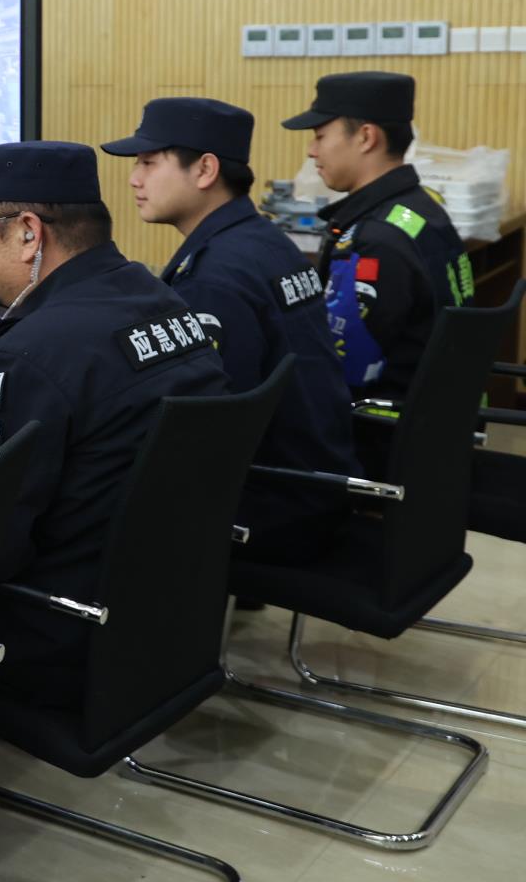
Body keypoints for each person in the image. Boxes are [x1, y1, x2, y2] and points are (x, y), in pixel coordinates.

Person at [0, 142, 228, 704]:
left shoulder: (30, 358)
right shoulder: (163, 301)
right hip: (162, 617)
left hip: (49, 638)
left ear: (28, 233)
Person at [103, 98, 359, 561]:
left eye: (148, 163)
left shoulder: (214, 278)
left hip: (272, 506)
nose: (134, 179)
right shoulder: (265, 241)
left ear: (205, 170)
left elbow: (207, 427)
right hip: (316, 480)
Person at [282, 71, 473, 397]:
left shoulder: (374, 241)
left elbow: (342, 365)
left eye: (320, 136)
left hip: (379, 420)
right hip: (439, 409)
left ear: (366, 137)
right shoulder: (422, 209)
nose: (312, 150)